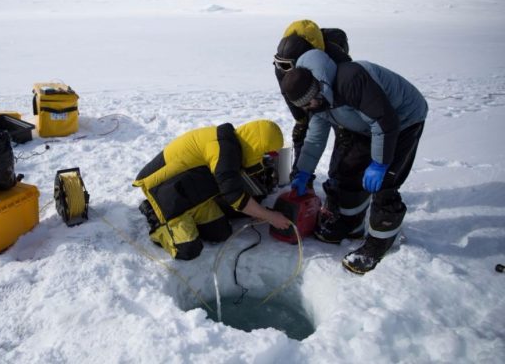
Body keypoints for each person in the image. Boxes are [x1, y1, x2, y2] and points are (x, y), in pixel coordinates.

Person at [280, 49, 428, 274]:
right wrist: (303, 171)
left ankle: (379, 244)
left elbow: (384, 121)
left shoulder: (350, 80)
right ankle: (351, 223)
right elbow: (315, 138)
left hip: (402, 120)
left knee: (385, 183)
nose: (309, 108)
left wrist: (380, 164)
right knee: (347, 170)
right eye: (304, 106)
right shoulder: (316, 101)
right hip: (365, 125)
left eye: (309, 103)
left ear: (317, 88)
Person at [133, 119, 290, 260]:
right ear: (257, 145)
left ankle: (188, 217)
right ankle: (153, 212)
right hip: (163, 191)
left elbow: (231, 186)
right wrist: (269, 216)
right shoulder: (223, 149)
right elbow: (233, 195)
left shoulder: (232, 144)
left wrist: (259, 211)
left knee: (220, 233)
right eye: (266, 152)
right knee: (188, 249)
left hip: (192, 193)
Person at [273, 19, 352, 179]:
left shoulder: (335, 60)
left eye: (289, 66)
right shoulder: (282, 66)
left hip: (334, 96)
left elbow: (346, 87)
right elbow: (288, 94)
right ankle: (301, 175)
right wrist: (300, 119)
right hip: (310, 91)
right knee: (304, 131)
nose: (285, 70)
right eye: (281, 65)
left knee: (346, 137)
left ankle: (338, 180)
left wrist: (342, 120)